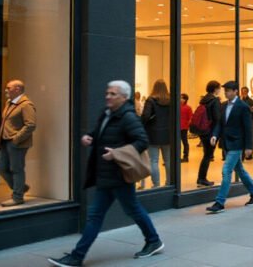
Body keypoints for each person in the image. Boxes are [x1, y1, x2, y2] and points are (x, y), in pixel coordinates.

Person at [48, 81, 163, 267]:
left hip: (118, 175)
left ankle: (77, 256)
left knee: (123, 210)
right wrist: (90, 137)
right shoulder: (108, 113)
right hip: (106, 174)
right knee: (104, 214)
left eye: (113, 94)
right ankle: (152, 240)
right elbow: (101, 133)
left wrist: (117, 153)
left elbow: (142, 141)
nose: (108, 96)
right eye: (107, 92)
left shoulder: (128, 117)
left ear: (124, 97)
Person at [205, 81, 253, 213]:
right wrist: (215, 135)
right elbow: (220, 123)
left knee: (226, 171)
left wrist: (249, 146)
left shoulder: (243, 106)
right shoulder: (224, 105)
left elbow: (248, 128)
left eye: (229, 91)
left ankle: (219, 202)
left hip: (237, 144)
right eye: (225, 91)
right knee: (240, 170)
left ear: (235, 92)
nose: (226, 93)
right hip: (226, 143)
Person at [0, 80, 36, 206]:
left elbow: (31, 125)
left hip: (17, 143)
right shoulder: (9, 103)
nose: (6, 90)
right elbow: (5, 124)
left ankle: (18, 197)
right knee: (0, 167)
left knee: (16, 169)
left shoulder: (26, 105)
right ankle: (21, 187)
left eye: (8, 88)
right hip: (5, 142)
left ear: (17, 89)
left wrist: (16, 139)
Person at [140, 79, 171, 188]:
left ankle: (156, 184)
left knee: (153, 161)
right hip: (168, 134)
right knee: (168, 161)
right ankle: (169, 183)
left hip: (153, 134)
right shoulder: (171, 100)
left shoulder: (151, 100)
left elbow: (145, 116)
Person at [196, 81, 222, 187]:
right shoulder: (214, 101)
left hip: (203, 130)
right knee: (208, 155)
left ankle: (201, 178)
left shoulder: (204, 99)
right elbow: (217, 118)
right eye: (219, 88)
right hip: (211, 131)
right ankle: (202, 178)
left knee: (206, 154)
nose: (220, 90)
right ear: (215, 89)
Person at [240, 86, 253, 160]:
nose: (243, 93)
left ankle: (250, 153)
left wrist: (252, 122)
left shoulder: (251, 101)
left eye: (245, 91)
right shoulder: (239, 101)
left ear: (247, 92)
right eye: (242, 91)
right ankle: (243, 154)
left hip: (249, 122)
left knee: (251, 138)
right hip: (241, 123)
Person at [180, 93, 192, 162]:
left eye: (183, 98)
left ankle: (186, 157)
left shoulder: (188, 108)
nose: (181, 99)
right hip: (177, 127)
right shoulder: (177, 107)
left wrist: (188, 125)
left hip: (184, 128)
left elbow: (190, 118)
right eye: (180, 98)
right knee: (176, 143)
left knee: (185, 142)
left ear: (186, 100)